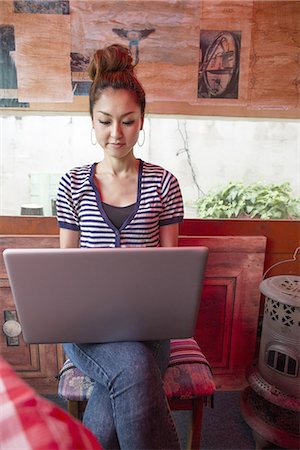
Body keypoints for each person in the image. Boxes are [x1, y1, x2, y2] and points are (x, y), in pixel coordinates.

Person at [56, 44, 184, 450]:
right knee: (132, 368)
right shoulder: (72, 184)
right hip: (88, 330)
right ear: (91, 122)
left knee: (130, 368)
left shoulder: (164, 184)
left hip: (149, 332)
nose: (116, 134)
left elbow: (171, 273)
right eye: (105, 121)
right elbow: (66, 273)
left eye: (128, 122)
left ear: (142, 122)